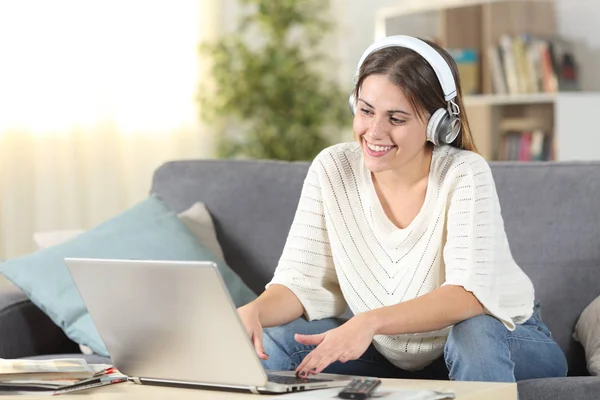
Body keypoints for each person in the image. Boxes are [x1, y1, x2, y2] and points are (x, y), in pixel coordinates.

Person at [237, 35, 568, 383]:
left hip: (503, 339)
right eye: (366, 111)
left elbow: (468, 296)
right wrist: (253, 311)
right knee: (276, 339)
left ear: (439, 124)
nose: (374, 132)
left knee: (474, 334)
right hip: (386, 350)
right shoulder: (332, 168)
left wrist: (368, 321)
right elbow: (298, 283)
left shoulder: (464, 172)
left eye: (396, 118)